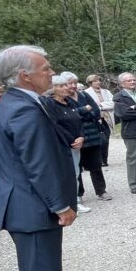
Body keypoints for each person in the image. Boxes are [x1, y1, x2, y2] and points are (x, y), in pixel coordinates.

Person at [0, 45, 90, 271]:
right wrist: (60, 205)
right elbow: (37, 162)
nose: (51, 72)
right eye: (45, 68)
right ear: (24, 75)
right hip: (30, 205)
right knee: (38, 270)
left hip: (29, 203)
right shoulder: (23, 108)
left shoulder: (21, 102)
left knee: (42, 267)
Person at [46, 74, 90, 213]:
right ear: (52, 88)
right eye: (61, 86)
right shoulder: (49, 104)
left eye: (66, 85)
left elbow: (78, 120)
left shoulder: (69, 102)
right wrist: (72, 140)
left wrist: (81, 136)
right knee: (64, 175)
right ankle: (64, 204)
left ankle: (74, 202)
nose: (66, 88)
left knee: (75, 173)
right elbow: (55, 125)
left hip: (76, 144)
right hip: (62, 145)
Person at [66, 72, 111, 203]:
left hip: (92, 135)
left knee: (96, 165)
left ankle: (101, 191)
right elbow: (68, 116)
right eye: (70, 83)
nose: (73, 86)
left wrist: (80, 113)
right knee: (76, 167)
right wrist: (85, 110)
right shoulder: (63, 99)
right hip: (75, 137)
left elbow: (96, 112)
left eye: (75, 83)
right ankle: (79, 193)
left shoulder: (84, 95)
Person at [85, 74, 115, 166]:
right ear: (90, 83)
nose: (98, 82)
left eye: (99, 80)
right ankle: (97, 159)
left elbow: (112, 103)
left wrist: (100, 105)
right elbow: (89, 106)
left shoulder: (106, 92)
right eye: (95, 81)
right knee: (99, 140)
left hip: (106, 118)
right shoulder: (86, 93)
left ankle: (104, 160)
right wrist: (99, 106)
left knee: (106, 139)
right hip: (95, 119)